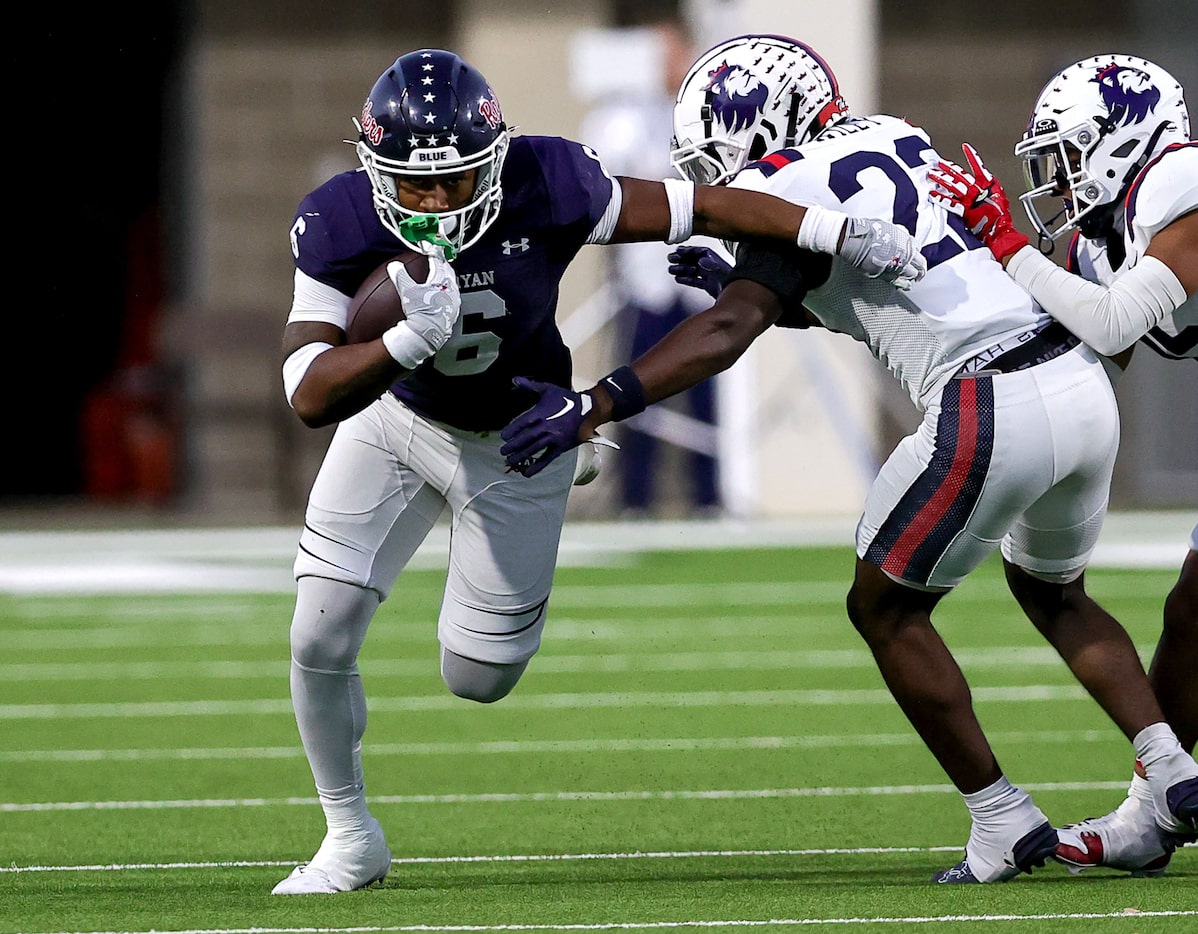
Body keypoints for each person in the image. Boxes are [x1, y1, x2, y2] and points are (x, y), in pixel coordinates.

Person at [499, 34, 1198, 884]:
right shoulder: (892, 135)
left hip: (986, 401)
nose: (715, 166)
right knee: (1053, 591)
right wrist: (744, 283)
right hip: (1078, 384)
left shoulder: (779, 180)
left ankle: (1000, 820)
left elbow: (727, 333)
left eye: (715, 143)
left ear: (751, 120)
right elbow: (891, 295)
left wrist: (598, 400)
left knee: (884, 608)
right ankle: (1169, 767)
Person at [273, 47, 924, 895]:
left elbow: (695, 206)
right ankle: (349, 835)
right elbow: (307, 394)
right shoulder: (339, 218)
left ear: (495, 158)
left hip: (523, 437)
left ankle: (577, 456)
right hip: (396, 422)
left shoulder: (550, 181)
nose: (434, 204)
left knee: (476, 679)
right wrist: (399, 344)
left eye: (457, 182)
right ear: (374, 168)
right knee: (316, 634)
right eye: (415, 185)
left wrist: (831, 231)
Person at [928, 52, 1197, 876]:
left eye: (1073, 150)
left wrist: (1009, 240)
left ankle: (1155, 808)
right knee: (1191, 617)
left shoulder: (1179, 178)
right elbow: (1050, 324)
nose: (1062, 175)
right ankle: (1157, 809)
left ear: (1127, 138)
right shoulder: (1109, 230)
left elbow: (1115, 324)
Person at [579, 17, 723, 516]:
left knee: (706, 390)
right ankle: (633, 499)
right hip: (645, 280)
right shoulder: (625, 114)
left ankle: (708, 499)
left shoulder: (709, 113)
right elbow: (605, 168)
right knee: (637, 387)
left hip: (698, 279)